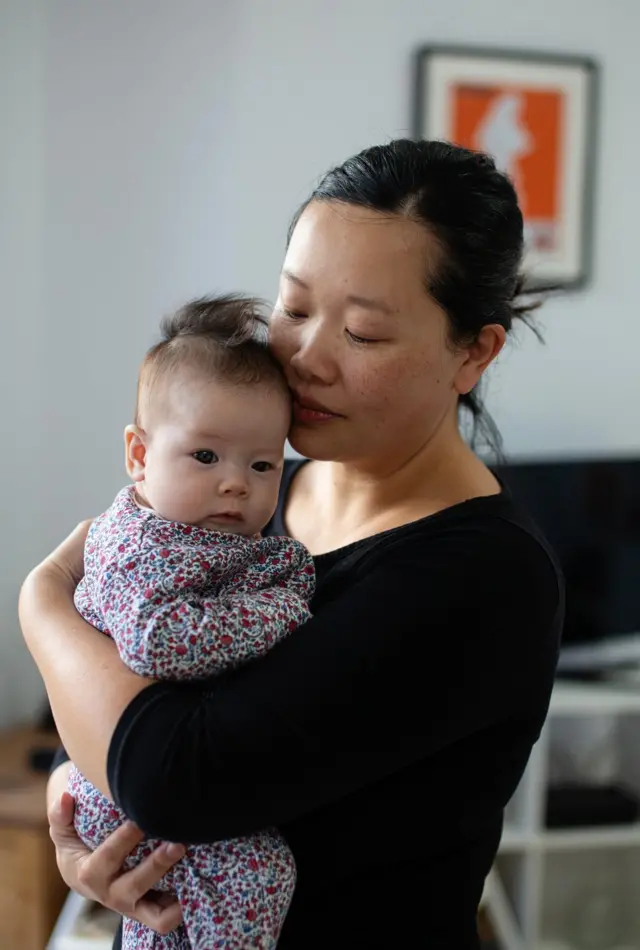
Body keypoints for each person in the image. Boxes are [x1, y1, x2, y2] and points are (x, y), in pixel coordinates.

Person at [20, 139, 563, 950]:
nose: (306, 359)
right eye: (295, 308)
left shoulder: (485, 575)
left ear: (473, 352)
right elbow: (119, 694)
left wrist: (40, 605)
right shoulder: (260, 492)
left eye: (364, 334)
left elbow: (179, 778)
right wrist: (75, 809)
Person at [68, 294, 315, 950]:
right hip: (120, 793)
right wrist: (283, 609)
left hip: (140, 776)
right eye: (206, 457)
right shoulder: (142, 544)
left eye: (262, 464)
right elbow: (158, 642)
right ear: (139, 454)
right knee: (256, 872)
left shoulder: (200, 535)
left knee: (170, 922)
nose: (237, 483)